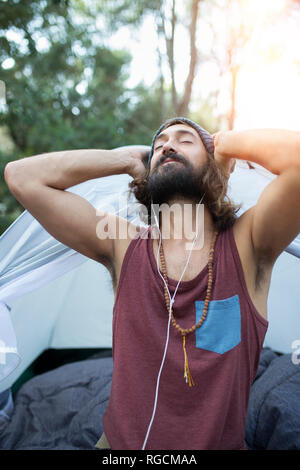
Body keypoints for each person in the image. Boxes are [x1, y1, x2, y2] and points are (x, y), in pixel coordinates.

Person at [4, 117, 300, 450]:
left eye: (186, 140)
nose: (167, 146)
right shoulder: (122, 244)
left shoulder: (249, 245)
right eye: (158, 145)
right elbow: (22, 177)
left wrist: (225, 143)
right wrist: (126, 159)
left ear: (217, 166)